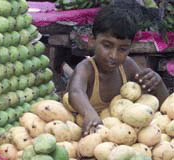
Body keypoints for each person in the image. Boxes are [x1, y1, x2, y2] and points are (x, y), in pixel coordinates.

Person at [66, 6, 169, 137]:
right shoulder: (86, 68)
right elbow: (75, 91)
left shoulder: (127, 66)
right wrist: (89, 114)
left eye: (122, 49)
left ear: (130, 48)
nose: (113, 55)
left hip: (122, 137)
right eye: (107, 45)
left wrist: (158, 83)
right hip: (86, 135)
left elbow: (165, 107)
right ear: (92, 40)